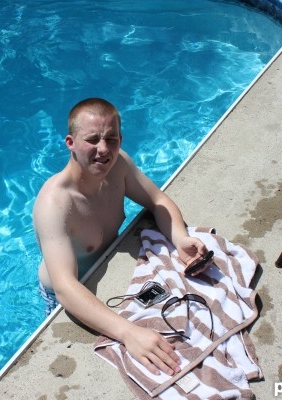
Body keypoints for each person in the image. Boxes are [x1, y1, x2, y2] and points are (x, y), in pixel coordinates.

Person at [33, 98, 209, 377]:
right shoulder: (54, 204)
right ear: (70, 142)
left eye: (111, 139)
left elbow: (157, 200)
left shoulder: (118, 166)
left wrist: (180, 237)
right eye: (92, 140)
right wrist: (129, 333)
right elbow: (65, 287)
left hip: (108, 266)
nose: (103, 150)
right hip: (68, 292)